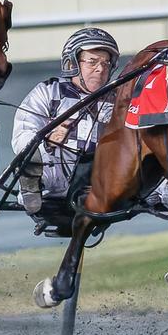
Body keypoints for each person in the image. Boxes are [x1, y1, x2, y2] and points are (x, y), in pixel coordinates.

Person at [11, 28, 119, 214]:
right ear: (72, 63)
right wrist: (49, 139)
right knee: (30, 151)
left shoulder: (119, 98)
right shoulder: (48, 91)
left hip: (102, 178)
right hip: (55, 175)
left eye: (106, 63)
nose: (101, 69)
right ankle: (31, 189)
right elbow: (22, 134)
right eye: (92, 62)